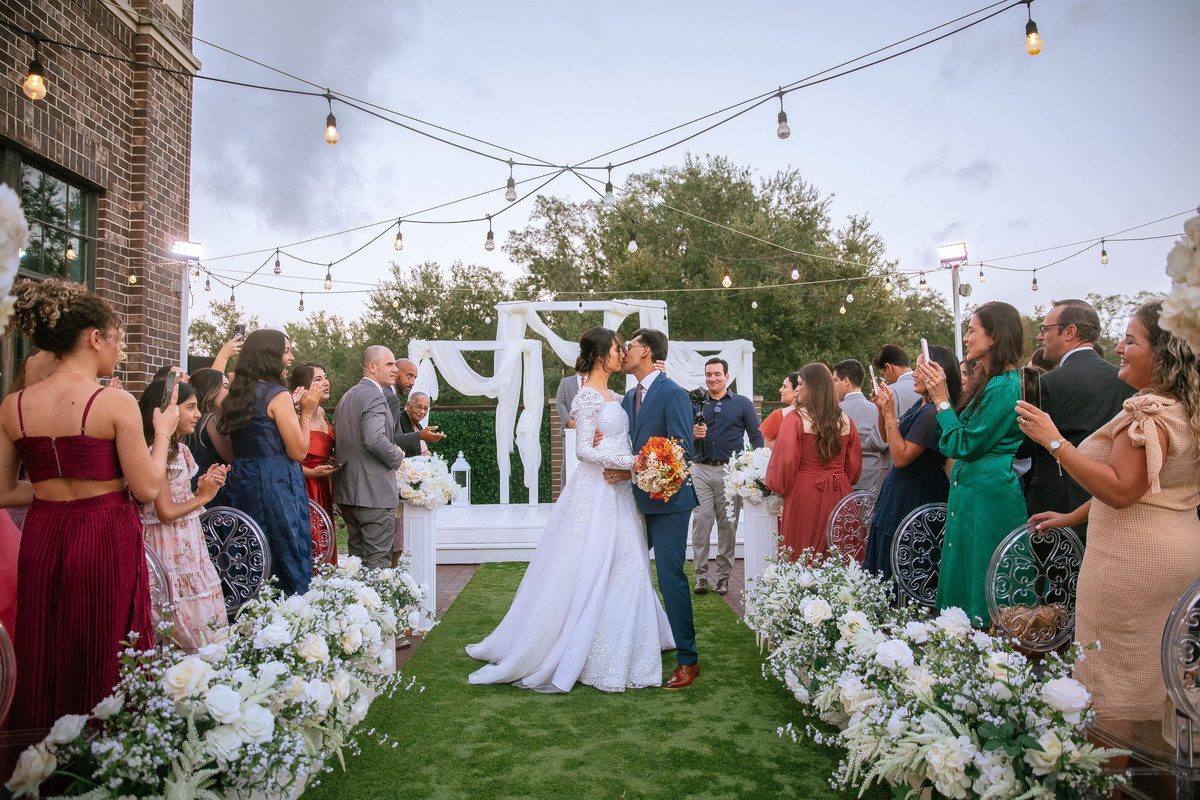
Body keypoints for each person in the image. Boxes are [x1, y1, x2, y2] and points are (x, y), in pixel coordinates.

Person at [0, 278, 178, 729]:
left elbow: (3, 491)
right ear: (95, 338)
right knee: (106, 643)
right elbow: (147, 488)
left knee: (48, 645)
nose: (119, 351)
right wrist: (162, 433)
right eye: (118, 339)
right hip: (104, 535)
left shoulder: (13, 406)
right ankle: (109, 750)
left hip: (42, 536)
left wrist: (50, 492)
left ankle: (43, 752)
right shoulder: (114, 403)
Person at [1018, 300, 1200, 725]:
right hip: (1179, 560)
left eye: (1131, 341)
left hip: (1130, 566)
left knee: (1111, 689)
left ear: (1162, 354)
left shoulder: (1148, 415)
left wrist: (1053, 440)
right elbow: (1145, 488)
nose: (1118, 347)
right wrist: (1071, 517)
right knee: (1159, 678)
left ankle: (1109, 765)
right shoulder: (1187, 409)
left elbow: (1120, 490)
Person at [467, 327, 674, 692]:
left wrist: (631, 465)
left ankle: (627, 637)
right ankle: (579, 644)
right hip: (597, 491)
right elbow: (583, 451)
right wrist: (632, 462)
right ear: (601, 357)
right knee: (592, 564)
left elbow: (614, 436)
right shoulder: (588, 396)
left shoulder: (616, 395)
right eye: (617, 349)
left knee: (626, 563)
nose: (622, 354)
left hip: (619, 491)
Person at [914, 301, 1027, 627]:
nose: (965, 338)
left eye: (972, 330)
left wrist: (941, 399)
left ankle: (985, 645)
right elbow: (958, 436)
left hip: (989, 497)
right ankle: (963, 638)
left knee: (986, 580)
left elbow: (964, 443)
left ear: (994, 337)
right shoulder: (990, 382)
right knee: (967, 573)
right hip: (973, 491)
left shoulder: (1005, 386)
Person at [1018, 299, 1135, 534]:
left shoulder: (1044, 384)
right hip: (1110, 499)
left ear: (1070, 332)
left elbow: (1024, 448)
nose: (1040, 337)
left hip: (1056, 505)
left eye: (1045, 329)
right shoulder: (1126, 382)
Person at [217, 330, 317, 595]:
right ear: (269, 355)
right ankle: (287, 608)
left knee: (248, 549)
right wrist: (306, 413)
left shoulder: (235, 394)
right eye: (286, 351)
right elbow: (298, 451)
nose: (290, 357)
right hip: (276, 483)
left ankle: (249, 608)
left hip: (241, 480)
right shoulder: (277, 395)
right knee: (283, 548)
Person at [138, 380, 229, 649]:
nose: (198, 414)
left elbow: (177, 502)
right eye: (190, 407)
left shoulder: (179, 450)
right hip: (168, 546)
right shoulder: (159, 452)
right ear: (166, 411)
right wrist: (203, 498)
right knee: (180, 618)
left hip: (186, 543)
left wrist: (201, 489)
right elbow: (165, 512)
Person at [863, 345, 961, 579]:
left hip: (914, 495)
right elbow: (888, 438)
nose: (914, 374)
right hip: (900, 492)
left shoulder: (932, 413)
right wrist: (882, 409)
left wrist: (890, 414)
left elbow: (901, 457)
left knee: (904, 567)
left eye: (920, 369)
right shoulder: (921, 404)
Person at [764, 363, 863, 560]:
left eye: (801, 384)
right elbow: (854, 466)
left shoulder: (795, 419)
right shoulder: (845, 419)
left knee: (803, 548)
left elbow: (785, 462)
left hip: (805, 490)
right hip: (840, 490)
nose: (797, 389)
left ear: (813, 387)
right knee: (838, 549)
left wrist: (779, 487)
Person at [689, 357, 763, 596]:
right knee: (701, 521)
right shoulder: (695, 403)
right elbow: (680, 436)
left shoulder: (742, 404)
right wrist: (693, 434)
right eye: (708, 374)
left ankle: (723, 577)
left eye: (717, 374)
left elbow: (757, 437)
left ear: (727, 377)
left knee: (727, 525)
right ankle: (700, 576)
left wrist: (756, 468)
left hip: (730, 472)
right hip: (700, 469)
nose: (712, 379)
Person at [334, 346, 407, 570]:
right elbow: (374, 439)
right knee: (378, 562)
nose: (395, 369)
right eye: (389, 364)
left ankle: (357, 594)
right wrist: (397, 455)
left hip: (348, 492)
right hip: (373, 493)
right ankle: (374, 595)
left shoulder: (347, 396)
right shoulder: (375, 396)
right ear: (372, 367)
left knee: (356, 562)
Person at [289, 362, 338, 567]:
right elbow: (282, 459)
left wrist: (330, 457)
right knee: (311, 540)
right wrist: (309, 472)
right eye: (318, 380)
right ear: (302, 388)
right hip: (304, 486)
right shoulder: (293, 415)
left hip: (324, 485)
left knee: (326, 539)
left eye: (325, 377)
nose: (326, 383)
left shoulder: (322, 412)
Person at [833, 359, 889, 494]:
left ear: (846, 381)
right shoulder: (877, 409)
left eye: (835, 381)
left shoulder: (835, 412)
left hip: (844, 481)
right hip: (875, 482)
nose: (833, 386)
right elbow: (883, 443)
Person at [183, 367, 231, 503]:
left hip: (192, 486)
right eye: (225, 387)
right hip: (211, 490)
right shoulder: (213, 420)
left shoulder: (189, 420)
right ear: (210, 389)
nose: (229, 392)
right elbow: (232, 458)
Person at [387, 357, 445, 456]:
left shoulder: (419, 426)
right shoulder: (391, 398)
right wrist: (419, 436)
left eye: (414, 378)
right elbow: (389, 440)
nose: (412, 383)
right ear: (395, 373)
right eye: (409, 376)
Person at [554, 371, 586, 485]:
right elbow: (560, 403)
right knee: (568, 463)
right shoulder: (565, 382)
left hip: (592, 432)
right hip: (570, 431)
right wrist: (568, 420)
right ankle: (564, 491)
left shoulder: (595, 382)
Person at [872, 344, 920, 418]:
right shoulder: (927, 384)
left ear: (888, 367)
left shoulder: (889, 392)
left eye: (883, 375)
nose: (886, 382)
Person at [760, 372, 798, 449]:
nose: (780, 390)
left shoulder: (778, 415)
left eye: (785, 387)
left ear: (797, 390)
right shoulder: (816, 415)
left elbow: (768, 449)